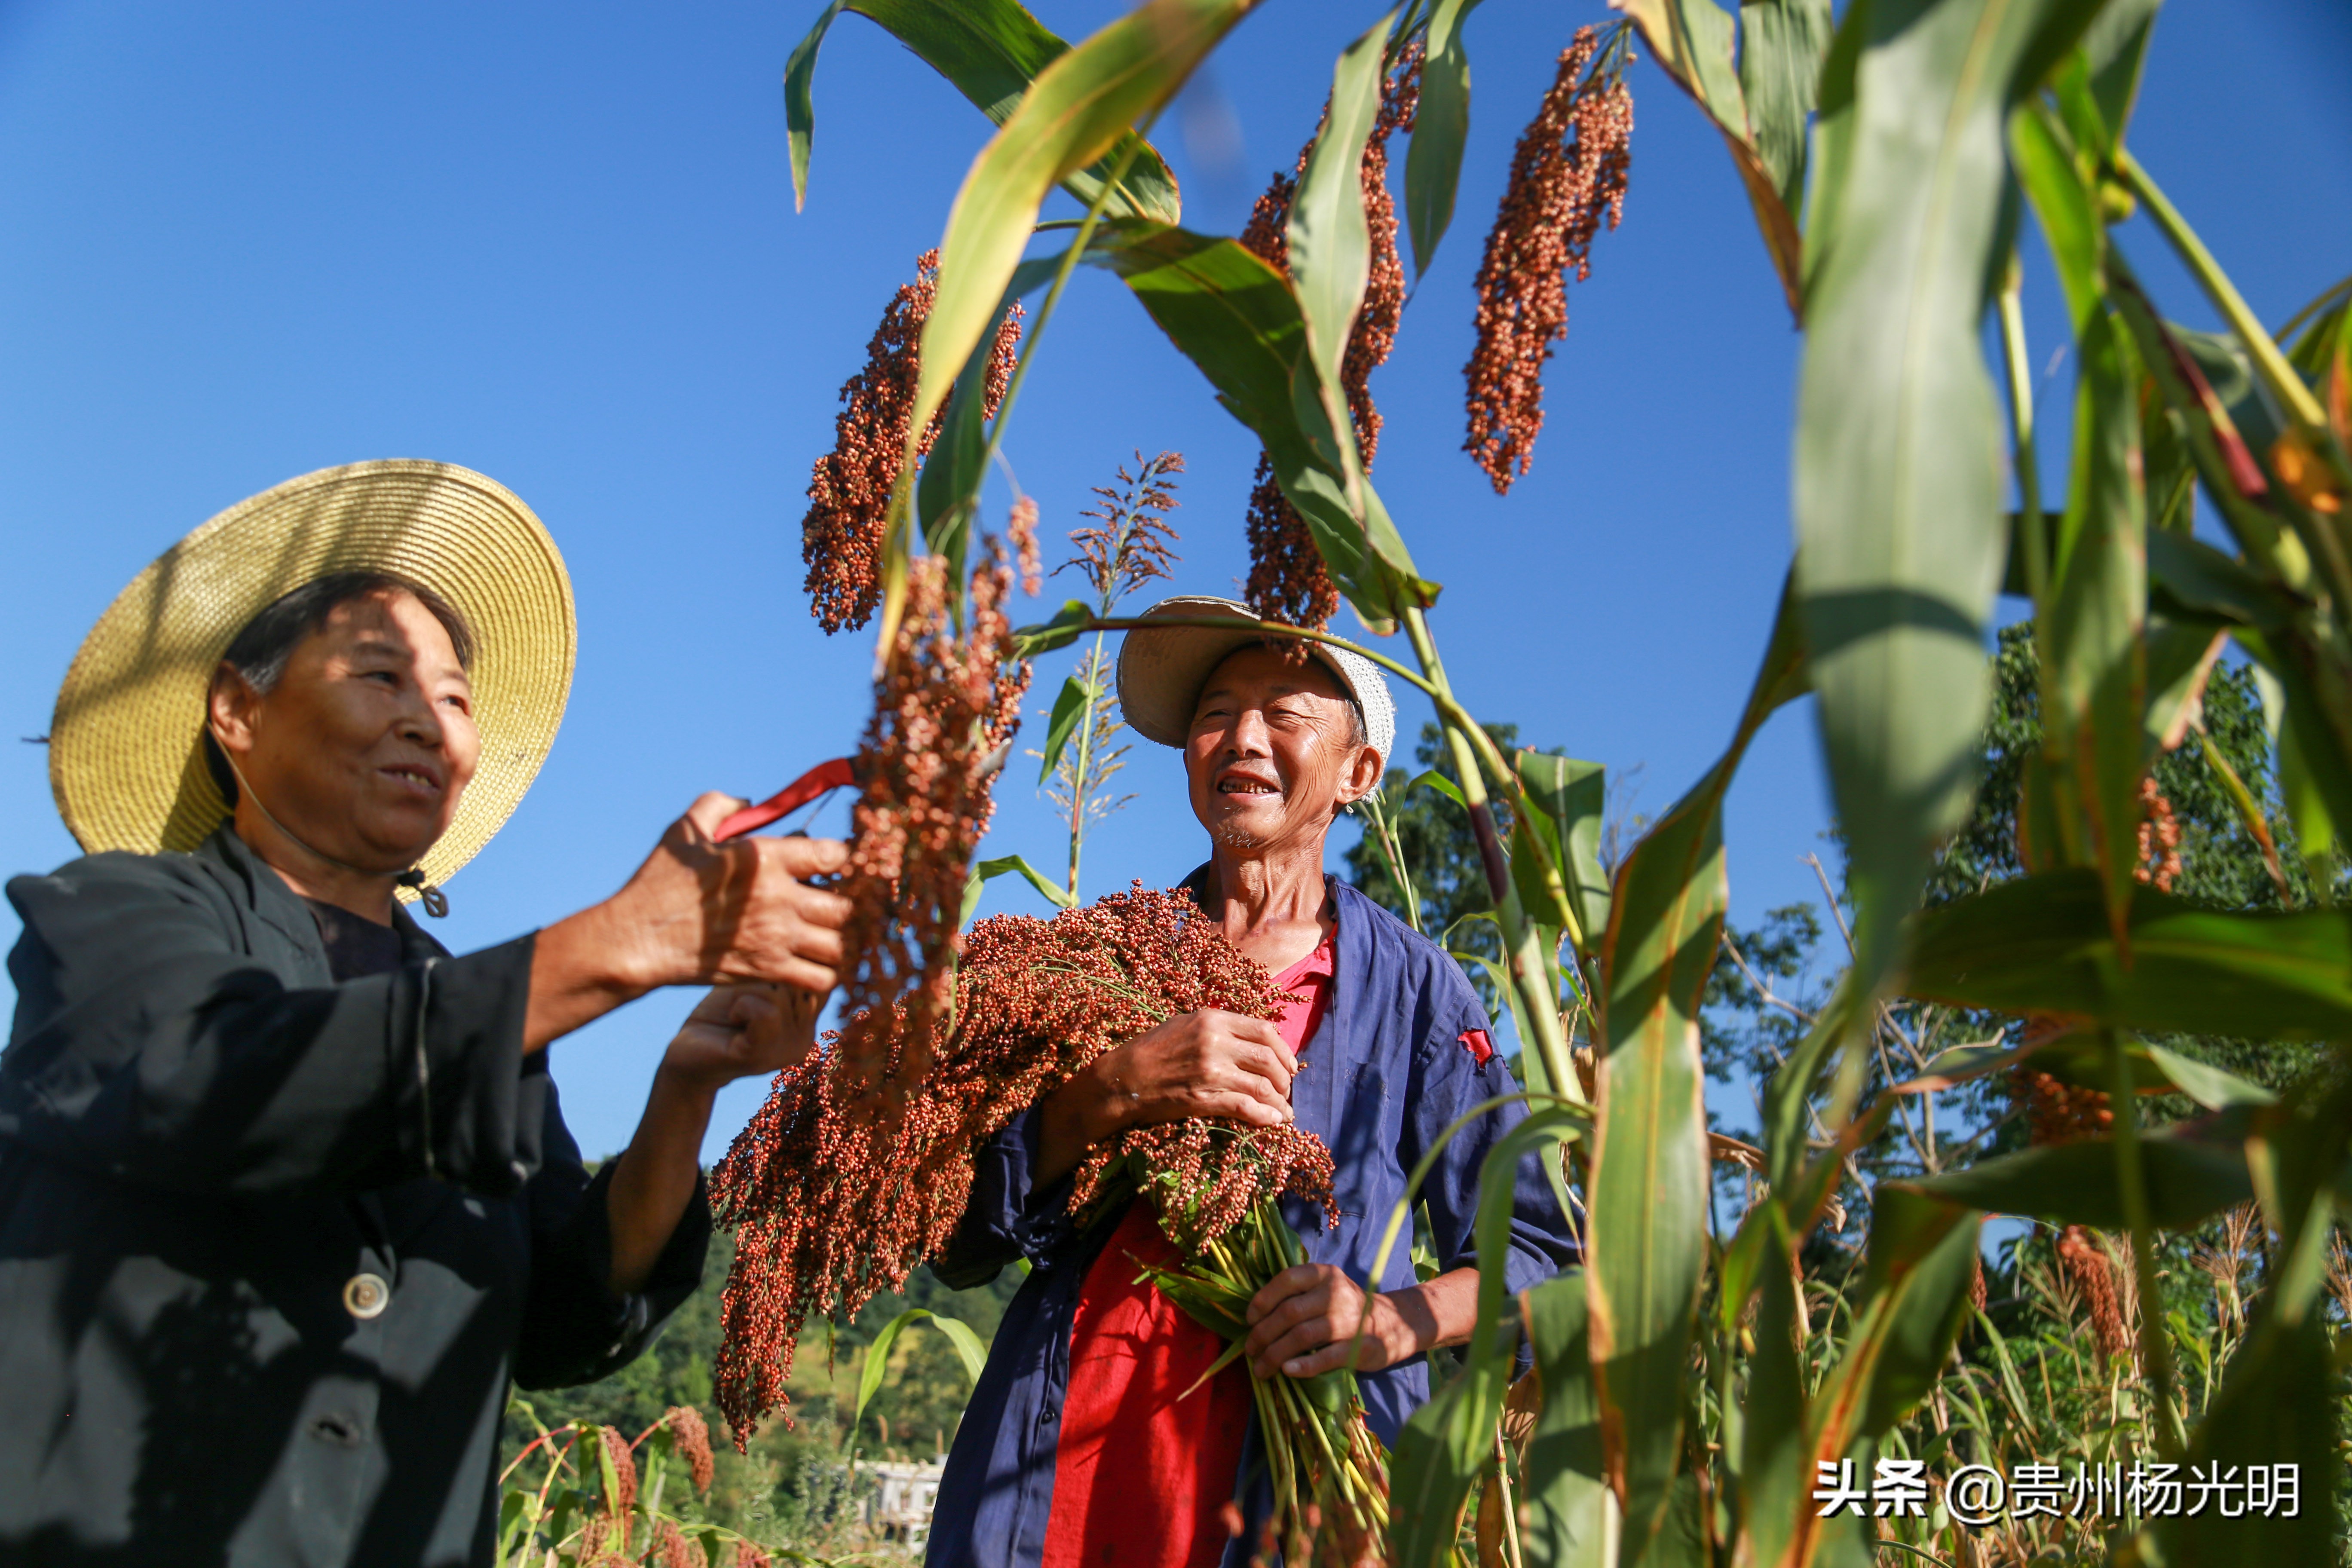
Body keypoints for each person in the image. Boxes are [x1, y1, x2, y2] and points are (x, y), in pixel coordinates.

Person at [0, 461, 851, 1566]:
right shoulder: (106, 918)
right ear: (238, 710)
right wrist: (628, 940)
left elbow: (560, 1318)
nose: (428, 721)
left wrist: (685, 1091)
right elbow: (223, 1081)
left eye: (453, 698)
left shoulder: (489, 1013)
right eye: (380, 677)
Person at [926, 596, 1578, 1568]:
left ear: (1359, 771)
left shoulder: (1420, 995)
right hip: (1062, 1469)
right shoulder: (1095, 966)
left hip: (1303, 1488)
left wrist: (1391, 1321)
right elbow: (962, 1233)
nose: (1241, 739)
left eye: (1285, 714)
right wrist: (1114, 1086)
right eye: (1216, 713)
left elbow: (1546, 1264)